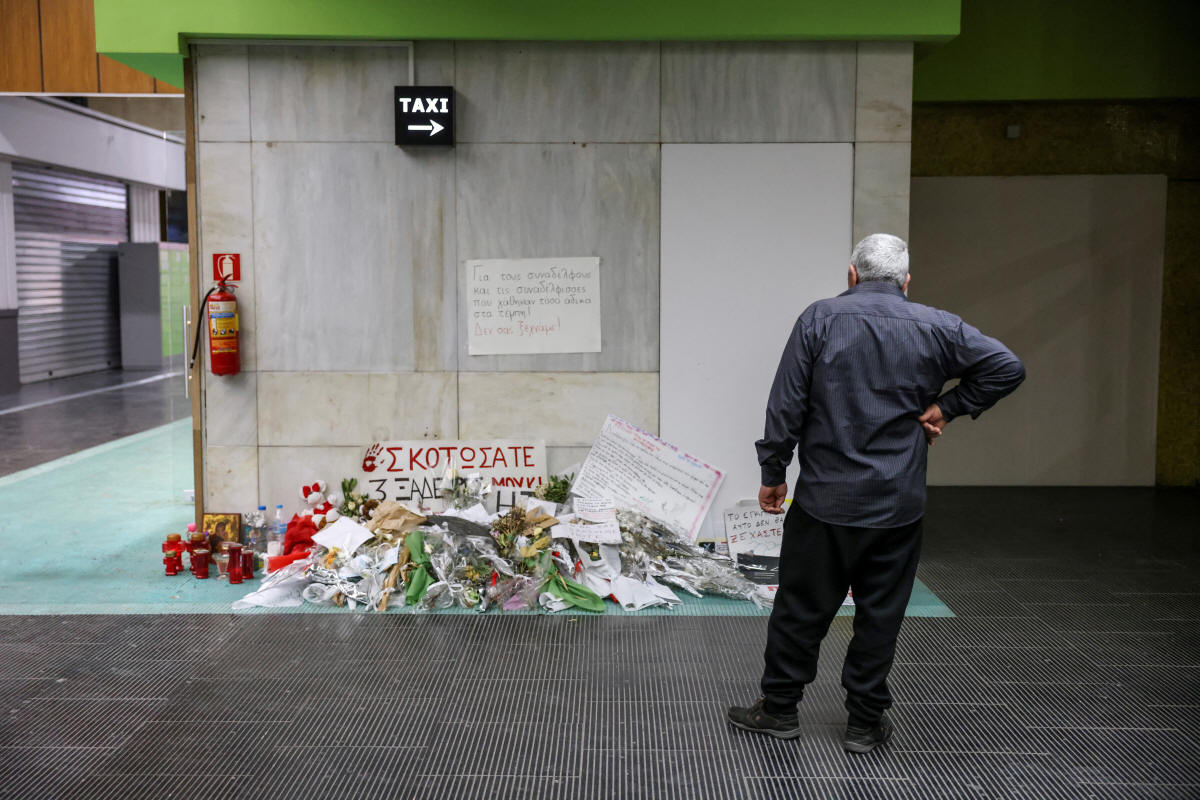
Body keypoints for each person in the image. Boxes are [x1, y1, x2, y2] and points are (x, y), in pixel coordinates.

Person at [727, 233, 1025, 753]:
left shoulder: (819, 319)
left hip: (823, 501)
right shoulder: (938, 326)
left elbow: (787, 403)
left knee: (801, 608)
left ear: (852, 274)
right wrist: (949, 407)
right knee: (880, 613)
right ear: (906, 281)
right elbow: (1007, 367)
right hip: (896, 505)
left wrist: (773, 471)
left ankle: (779, 710)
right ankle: (864, 723)